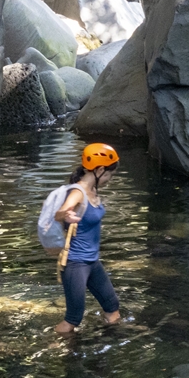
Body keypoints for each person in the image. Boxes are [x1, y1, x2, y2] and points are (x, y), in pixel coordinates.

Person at [54, 143, 123, 334]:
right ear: (100, 170)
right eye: (109, 175)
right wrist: (66, 214)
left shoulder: (93, 190)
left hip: (92, 262)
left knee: (112, 307)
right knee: (73, 319)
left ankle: (113, 339)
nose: (109, 179)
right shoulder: (78, 192)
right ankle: (53, 346)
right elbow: (58, 213)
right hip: (76, 263)